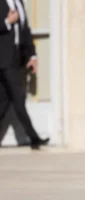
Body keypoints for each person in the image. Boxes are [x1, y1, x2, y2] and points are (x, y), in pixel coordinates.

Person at [0, 0, 49, 149]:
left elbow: (25, 30)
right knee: (19, 98)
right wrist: (8, 21)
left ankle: (34, 138)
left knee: (4, 102)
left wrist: (32, 56)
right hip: (4, 59)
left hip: (18, 59)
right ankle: (34, 137)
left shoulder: (19, 2)